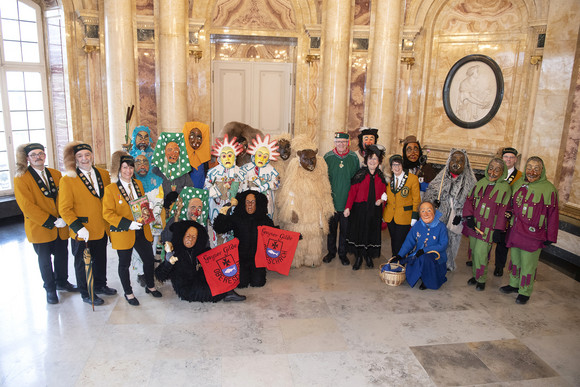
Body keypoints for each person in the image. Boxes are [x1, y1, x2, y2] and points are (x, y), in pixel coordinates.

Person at [14, 143, 78, 304]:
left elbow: (66, 197)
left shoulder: (56, 174)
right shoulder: (21, 178)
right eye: (34, 154)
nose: (38, 157)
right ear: (28, 158)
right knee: (44, 260)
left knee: (62, 255)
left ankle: (62, 282)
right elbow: (27, 206)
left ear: (45, 155)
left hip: (61, 225)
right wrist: (51, 221)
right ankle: (50, 288)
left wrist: (64, 218)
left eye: (41, 153)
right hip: (40, 227)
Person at [59, 142, 116, 306]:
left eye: (87, 154)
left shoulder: (104, 174)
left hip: (101, 227)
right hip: (82, 230)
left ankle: (100, 285)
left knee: (100, 259)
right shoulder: (68, 179)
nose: (84, 159)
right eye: (80, 156)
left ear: (92, 156)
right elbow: (65, 208)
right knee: (83, 263)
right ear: (75, 159)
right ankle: (87, 292)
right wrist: (77, 227)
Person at [102, 151, 162, 306]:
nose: (128, 171)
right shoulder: (111, 189)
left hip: (142, 229)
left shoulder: (138, 184)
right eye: (124, 167)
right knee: (124, 263)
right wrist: (128, 224)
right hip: (124, 231)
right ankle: (128, 292)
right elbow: (107, 214)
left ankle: (150, 285)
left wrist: (148, 213)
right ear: (118, 169)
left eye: (130, 167)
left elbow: (141, 205)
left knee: (149, 259)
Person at [500, 156, 559, 305]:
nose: (531, 171)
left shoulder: (549, 189)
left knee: (528, 264)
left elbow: (553, 215)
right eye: (529, 167)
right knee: (515, 260)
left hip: (534, 235)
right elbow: (511, 203)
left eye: (536, 168)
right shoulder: (519, 183)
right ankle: (514, 284)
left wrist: (550, 236)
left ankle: (524, 291)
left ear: (542, 170)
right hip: (516, 230)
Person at [277, 134, 334, 268]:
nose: (310, 163)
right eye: (306, 159)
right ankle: (296, 259)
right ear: (299, 158)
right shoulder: (294, 172)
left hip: (315, 213)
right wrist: (291, 210)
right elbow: (289, 193)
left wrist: (327, 208)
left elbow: (326, 192)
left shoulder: (320, 173)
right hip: (301, 212)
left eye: (313, 159)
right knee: (299, 236)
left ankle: (312, 259)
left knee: (315, 237)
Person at [154, 220, 246, 302]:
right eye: (188, 236)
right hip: (186, 288)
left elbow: (212, 259)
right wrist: (168, 262)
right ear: (182, 235)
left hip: (198, 278)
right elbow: (159, 275)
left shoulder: (197, 249)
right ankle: (227, 293)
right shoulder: (175, 252)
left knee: (219, 277)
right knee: (212, 291)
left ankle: (228, 290)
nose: (190, 239)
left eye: (194, 237)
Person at [423, 148, 477, 271]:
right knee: (437, 237)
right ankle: (434, 259)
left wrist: (462, 214)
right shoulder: (441, 177)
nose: (456, 163)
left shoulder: (470, 182)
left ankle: (448, 262)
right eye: (454, 159)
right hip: (441, 214)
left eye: (460, 160)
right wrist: (433, 202)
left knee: (453, 239)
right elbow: (430, 192)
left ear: (465, 164)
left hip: (456, 217)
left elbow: (472, 202)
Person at [463, 158, 511, 291]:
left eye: (497, 170)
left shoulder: (505, 187)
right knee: (473, 251)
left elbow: (504, 210)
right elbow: (469, 200)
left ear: (502, 172)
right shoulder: (481, 182)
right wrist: (469, 216)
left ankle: (481, 279)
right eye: (491, 168)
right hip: (475, 225)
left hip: (489, 228)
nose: (492, 172)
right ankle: (475, 275)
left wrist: (498, 230)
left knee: (481, 253)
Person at [213, 191, 275, 288]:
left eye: (253, 202)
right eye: (247, 201)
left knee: (258, 283)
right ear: (243, 203)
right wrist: (223, 212)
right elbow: (219, 228)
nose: (250, 204)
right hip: (241, 257)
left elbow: (275, 234)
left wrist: (293, 237)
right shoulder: (237, 218)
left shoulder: (264, 219)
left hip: (257, 258)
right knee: (241, 283)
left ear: (257, 203)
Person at [344, 145, 387, 270]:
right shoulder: (360, 175)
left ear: (379, 161)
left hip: (375, 210)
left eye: (375, 159)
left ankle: (368, 256)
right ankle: (358, 257)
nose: (372, 161)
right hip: (360, 210)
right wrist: (348, 208)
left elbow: (385, 194)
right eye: (370, 158)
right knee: (359, 233)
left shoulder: (381, 177)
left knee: (371, 233)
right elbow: (352, 193)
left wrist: (381, 200)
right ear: (366, 160)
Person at [322, 132, 360, 266]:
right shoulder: (327, 157)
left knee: (345, 231)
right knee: (331, 230)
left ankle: (342, 254)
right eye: (338, 142)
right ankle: (331, 252)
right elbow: (323, 179)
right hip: (331, 202)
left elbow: (356, 180)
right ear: (335, 143)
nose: (341, 144)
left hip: (347, 203)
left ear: (348, 143)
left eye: (344, 142)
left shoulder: (353, 157)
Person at [393, 201, 448, 290]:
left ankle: (427, 280)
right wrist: (400, 255)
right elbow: (409, 241)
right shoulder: (418, 225)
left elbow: (443, 245)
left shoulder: (441, 226)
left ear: (434, 212)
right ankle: (421, 274)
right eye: (422, 211)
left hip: (435, 258)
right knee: (407, 264)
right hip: (418, 255)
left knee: (425, 258)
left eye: (429, 210)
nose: (426, 214)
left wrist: (425, 250)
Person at [204, 135, 245, 247]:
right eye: (224, 156)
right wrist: (215, 191)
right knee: (217, 231)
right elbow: (206, 186)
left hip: (234, 208)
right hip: (216, 206)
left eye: (230, 155)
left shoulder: (240, 172)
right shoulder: (212, 172)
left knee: (232, 232)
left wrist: (238, 199)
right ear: (219, 158)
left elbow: (244, 190)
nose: (227, 158)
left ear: (235, 157)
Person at [383, 154, 421, 257]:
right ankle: (396, 260)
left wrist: (414, 216)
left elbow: (416, 200)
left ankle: (399, 262)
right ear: (391, 167)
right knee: (394, 240)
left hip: (405, 217)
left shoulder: (412, 179)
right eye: (394, 165)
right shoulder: (389, 179)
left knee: (400, 241)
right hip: (390, 216)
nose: (396, 167)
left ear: (402, 165)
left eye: (398, 164)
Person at [493, 147, 523, 276]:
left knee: (502, 240)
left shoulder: (520, 177)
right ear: (502, 158)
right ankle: (480, 259)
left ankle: (499, 266)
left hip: (507, 213)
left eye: (511, 157)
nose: (508, 159)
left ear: (515, 159)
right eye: (506, 157)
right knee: (486, 236)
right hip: (493, 210)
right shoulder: (494, 172)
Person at [240, 134, 280, 217]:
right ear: (254, 155)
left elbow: (277, 183)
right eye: (259, 155)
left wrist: (265, 186)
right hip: (249, 202)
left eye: (265, 156)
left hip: (266, 202)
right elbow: (240, 184)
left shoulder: (271, 170)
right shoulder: (245, 168)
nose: (262, 159)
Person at [182, 122, 211, 189]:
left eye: (199, 137)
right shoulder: (182, 159)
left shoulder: (205, 159)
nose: (195, 141)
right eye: (192, 136)